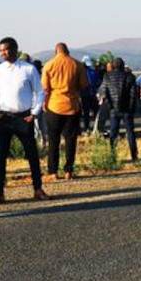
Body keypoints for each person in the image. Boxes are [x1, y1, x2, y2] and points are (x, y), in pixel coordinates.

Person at [0, 37, 49, 205]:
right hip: (3, 118)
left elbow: (39, 92)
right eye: (1, 50)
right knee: (1, 155)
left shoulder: (28, 69)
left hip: (23, 117)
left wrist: (34, 113)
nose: (3, 53)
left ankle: (38, 189)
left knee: (31, 154)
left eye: (6, 49)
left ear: (15, 49)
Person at [41, 42, 88, 180]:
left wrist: (45, 102)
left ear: (56, 51)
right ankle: (69, 171)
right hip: (72, 106)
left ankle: (53, 172)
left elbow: (45, 87)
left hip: (54, 105)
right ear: (67, 51)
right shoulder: (77, 64)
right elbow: (84, 85)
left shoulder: (49, 65)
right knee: (70, 140)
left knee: (53, 140)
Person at [99, 57, 140, 161]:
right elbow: (133, 94)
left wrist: (109, 106)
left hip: (113, 109)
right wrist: (131, 108)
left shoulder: (107, 76)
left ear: (113, 66)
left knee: (113, 132)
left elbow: (103, 92)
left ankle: (112, 156)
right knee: (130, 132)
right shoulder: (130, 76)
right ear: (123, 65)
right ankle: (134, 156)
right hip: (127, 109)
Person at [80, 55, 101, 135]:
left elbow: (97, 82)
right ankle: (87, 128)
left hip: (91, 94)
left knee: (94, 112)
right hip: (85, 95)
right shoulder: (81, 72)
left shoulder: (92, 71)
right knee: (86, 113)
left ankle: (95, 128)